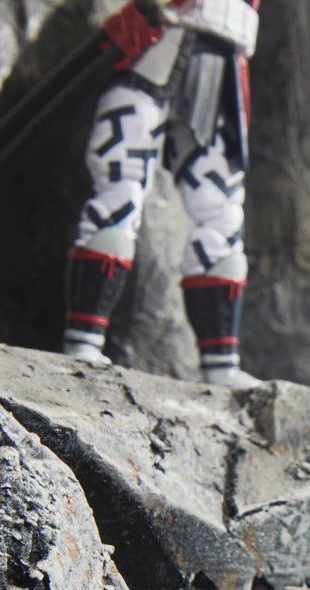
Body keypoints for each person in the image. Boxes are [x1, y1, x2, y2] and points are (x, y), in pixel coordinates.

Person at [62, 0, 260, 386]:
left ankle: (221, 365)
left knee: (222, 212)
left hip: (220, 69)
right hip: (153, 50)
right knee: (120, 188)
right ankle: (83, 341)